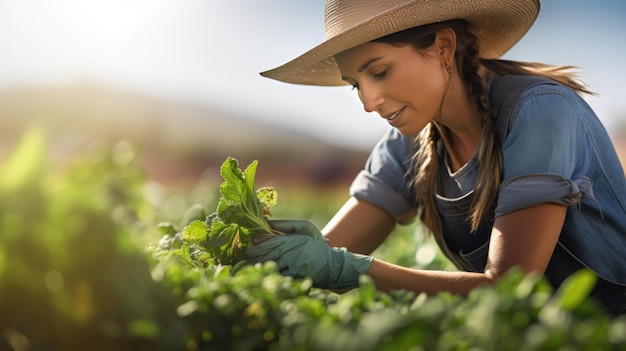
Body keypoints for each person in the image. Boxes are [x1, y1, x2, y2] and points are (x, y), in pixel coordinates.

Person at [244, 0, 626, 316]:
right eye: (356, 84)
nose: (367, 102)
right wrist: (284, 251)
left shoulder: (540, 111)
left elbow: (510, 289)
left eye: (379, 71)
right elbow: (327, 253)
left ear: (443, 46)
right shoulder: (409, 144)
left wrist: (348, 270)